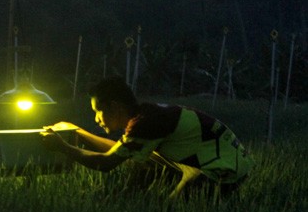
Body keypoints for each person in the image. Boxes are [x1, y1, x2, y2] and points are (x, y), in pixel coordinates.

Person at [41, 76, 254, 198]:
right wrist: (77, 131)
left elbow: (107, 163)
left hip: (219, 170)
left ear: (115, 107)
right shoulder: (145, 117)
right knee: (145, 167)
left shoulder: (145, 124)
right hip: (219, 165)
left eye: (98, 111)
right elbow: (118, 151)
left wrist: (63, 147)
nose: (97, 119)